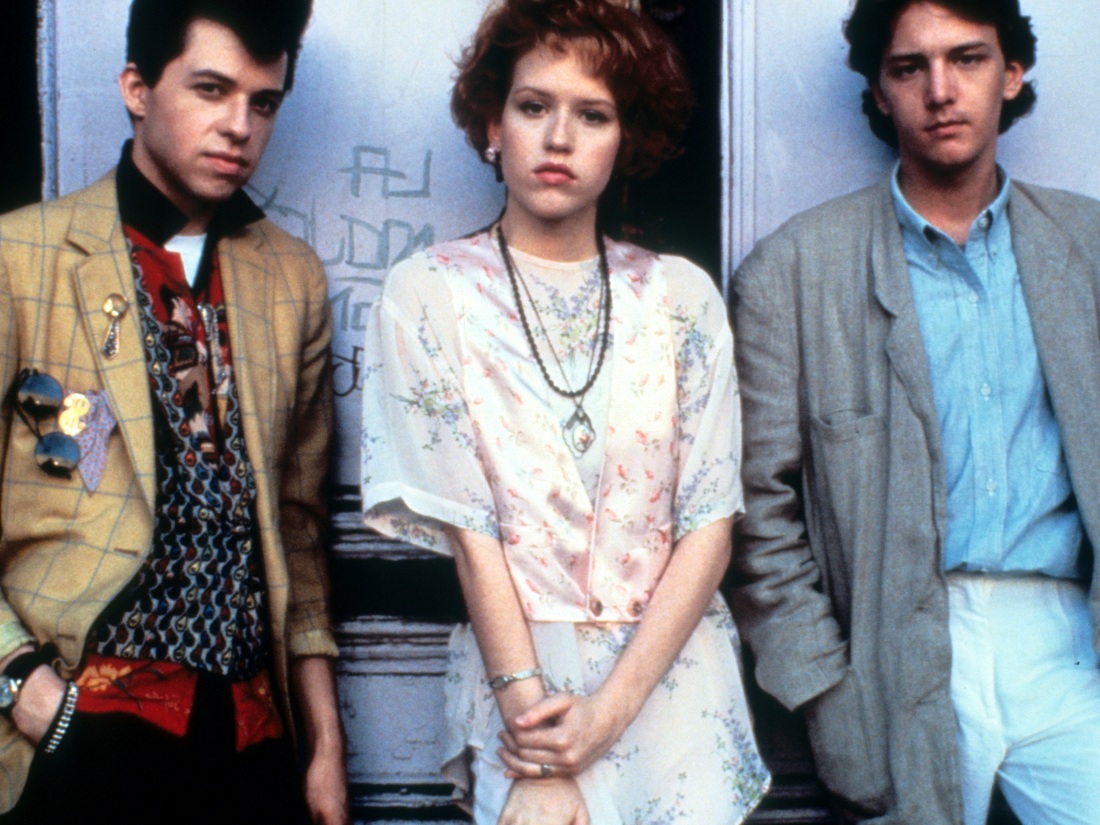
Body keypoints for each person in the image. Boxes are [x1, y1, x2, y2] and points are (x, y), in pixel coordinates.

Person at [360, 0, 769, 822]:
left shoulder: (683, 299)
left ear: (627, 139)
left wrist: (608, 716)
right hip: (524, 696)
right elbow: (471, 534)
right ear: (491, 123)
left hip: (673, 692)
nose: (558, 138)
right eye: (534, 106)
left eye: (593, 114)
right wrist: (544, 752)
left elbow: (708, 524)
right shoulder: (426, 294)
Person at [732, 0, 1100, 823]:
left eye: (967, 59)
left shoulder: (1089, 247)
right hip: (895, 646)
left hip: (1074, 637)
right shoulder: (792, 273)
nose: (941, 90)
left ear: (1011, 75)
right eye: (909, 67)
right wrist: (823, 687)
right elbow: (758, 512)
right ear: (877, 92)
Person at [0, 1, 348, 823]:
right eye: (211, 90)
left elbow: (298, 531)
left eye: (263, 103)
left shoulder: (290, 279)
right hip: (82, 724)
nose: (239, 127)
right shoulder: (21, 258)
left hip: (251, 740)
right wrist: (23, 686)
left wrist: (326, 748)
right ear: (136, 88)